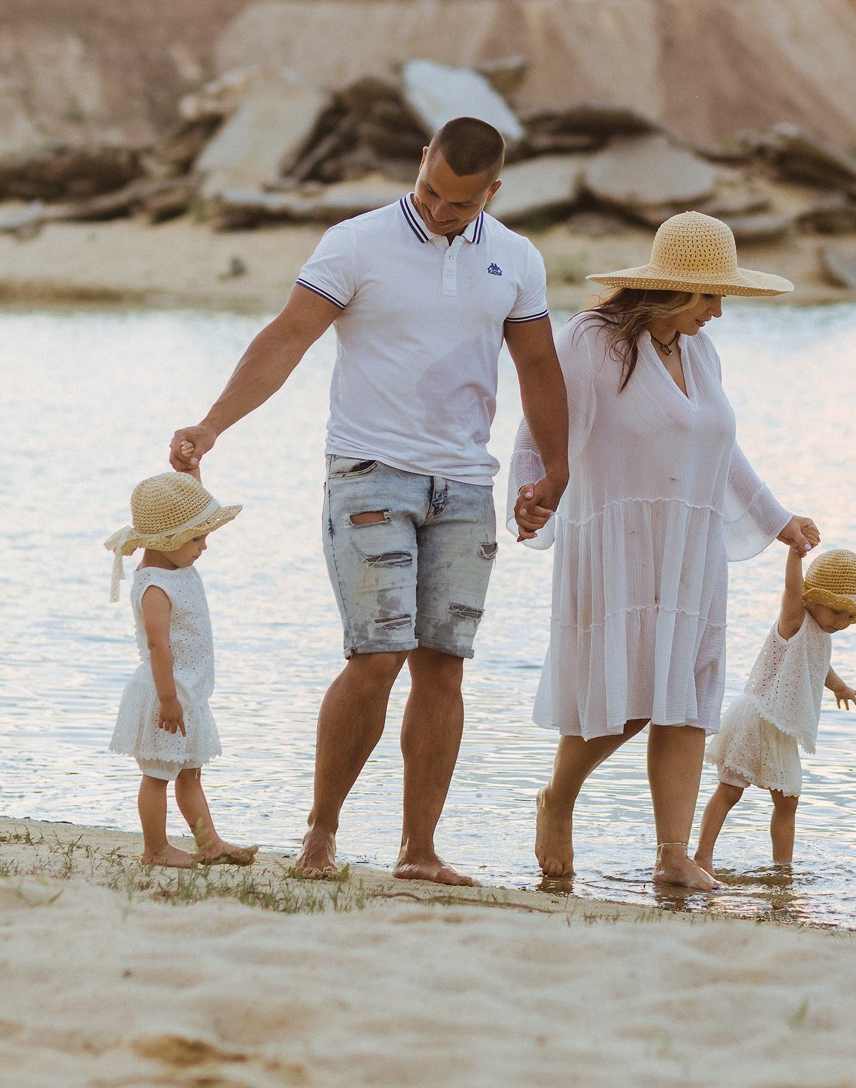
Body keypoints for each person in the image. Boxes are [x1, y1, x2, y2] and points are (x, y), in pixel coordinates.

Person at [169, 117, 569, 885]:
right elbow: (288, 336)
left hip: (465, 484)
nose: (439, 210)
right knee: (377, 654)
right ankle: (321, 830)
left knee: (443, 664)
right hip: (369, 473)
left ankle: (419, 850)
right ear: (421, 163)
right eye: (430, 189)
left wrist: (556, 471)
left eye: (459, 202)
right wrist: (212, 423)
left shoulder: (516, 258)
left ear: (493, 191)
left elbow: (540, 366)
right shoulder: (356, 242)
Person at [513, 210, 819, 891]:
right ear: (675, 288)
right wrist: (534, 493)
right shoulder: (593, 341)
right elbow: (543, 418)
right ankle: (558, 799)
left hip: (690, 547)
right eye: (711, 295)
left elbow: (719, 446)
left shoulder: (700, 352)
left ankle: (673, 853)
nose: (718, 311)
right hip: (618, 543)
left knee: (686, 698)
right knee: (630, 697)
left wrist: (777, 519)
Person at [694, 546, 856, 875]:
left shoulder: (822, 636)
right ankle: (702, 856)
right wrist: (796, 554)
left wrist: (839, 686)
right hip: (756, 720)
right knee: (730, 790)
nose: (842, 622)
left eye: (850, 616)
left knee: (788, 800)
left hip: (781, 729)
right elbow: (791, 589)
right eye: (837, 612)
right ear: (811, 600)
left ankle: (783, 868)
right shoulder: (794, 621)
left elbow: (818, 665)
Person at [104, 471, 257, 870]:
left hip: (190, 694)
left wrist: (190, 469)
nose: (203, 546)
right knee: (157, 774)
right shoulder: (155, 585)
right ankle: (155, 848)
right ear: (167, 541)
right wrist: (168, 699)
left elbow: (189, 503)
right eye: (195, 539)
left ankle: (209, 843)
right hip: (164, 694)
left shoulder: (178, 565)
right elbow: (158, 646)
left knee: (191, 774)